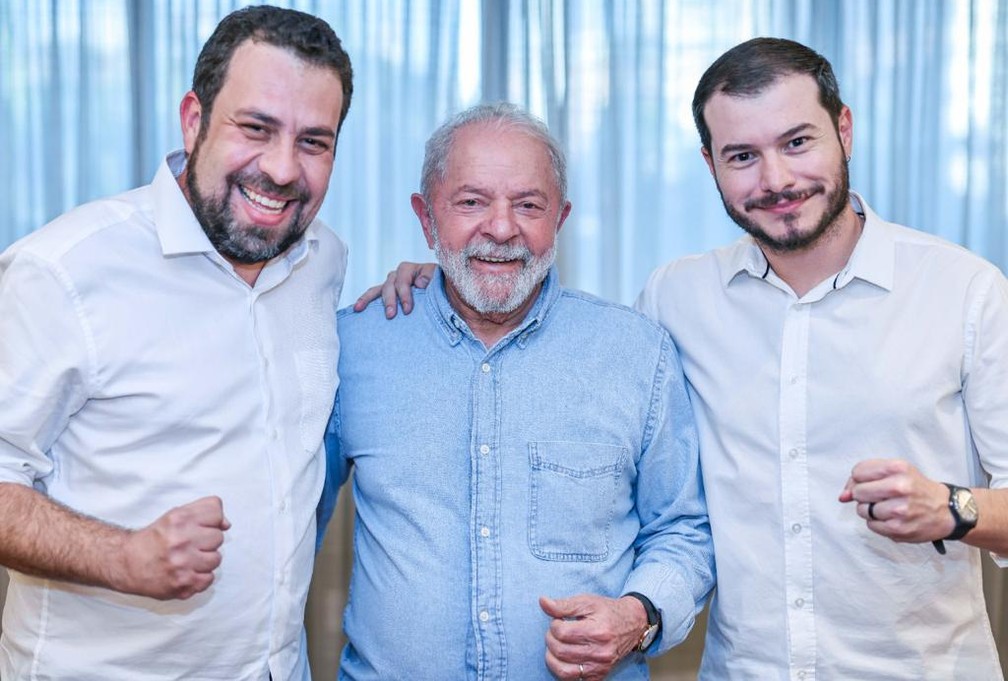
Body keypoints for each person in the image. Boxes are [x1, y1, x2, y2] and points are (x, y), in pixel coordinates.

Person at [360, 38, 1008, 679]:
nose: (776, 179)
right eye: (743, 155)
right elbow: (552, 342)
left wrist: (954, 507)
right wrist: (446, 277)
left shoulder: (965, 292)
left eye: (797, 142)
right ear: (711, 164)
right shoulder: (678, 297)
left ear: (845, 129)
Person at [0, 6, 353, 680]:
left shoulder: (323, 261)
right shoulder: (65, 271)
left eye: (314, 141)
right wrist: (123, 555)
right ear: (194, 119)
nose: (281, 170)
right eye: (256, 128)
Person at [316, 102, 715, 680]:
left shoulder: (637, 354)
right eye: (471, 202)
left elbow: (685, 528)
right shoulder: (353, 347)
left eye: (528, 205)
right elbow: (292, 519)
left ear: (560, 218)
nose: (501, 229)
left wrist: (640, 613)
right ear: (426, 219)